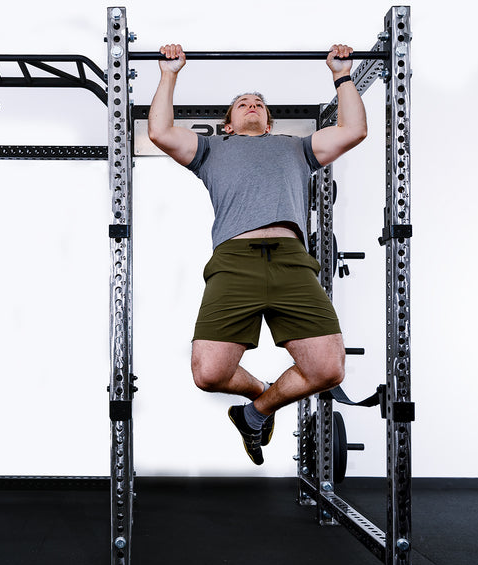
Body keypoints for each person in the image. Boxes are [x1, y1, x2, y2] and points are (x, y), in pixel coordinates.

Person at [147, 44, 368, 466]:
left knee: (327, 370)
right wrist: (170, 73)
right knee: (208, 374)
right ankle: (259, 393)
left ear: (269, 121)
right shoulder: (211, 151)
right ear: (226, 125)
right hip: (235, 262)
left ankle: (255, 413)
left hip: (291, 260)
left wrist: (341, 75)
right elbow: (160, 131)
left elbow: (354, 130)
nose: (252, 105)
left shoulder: (297, 148)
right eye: (242, 104)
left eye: (259, 104)